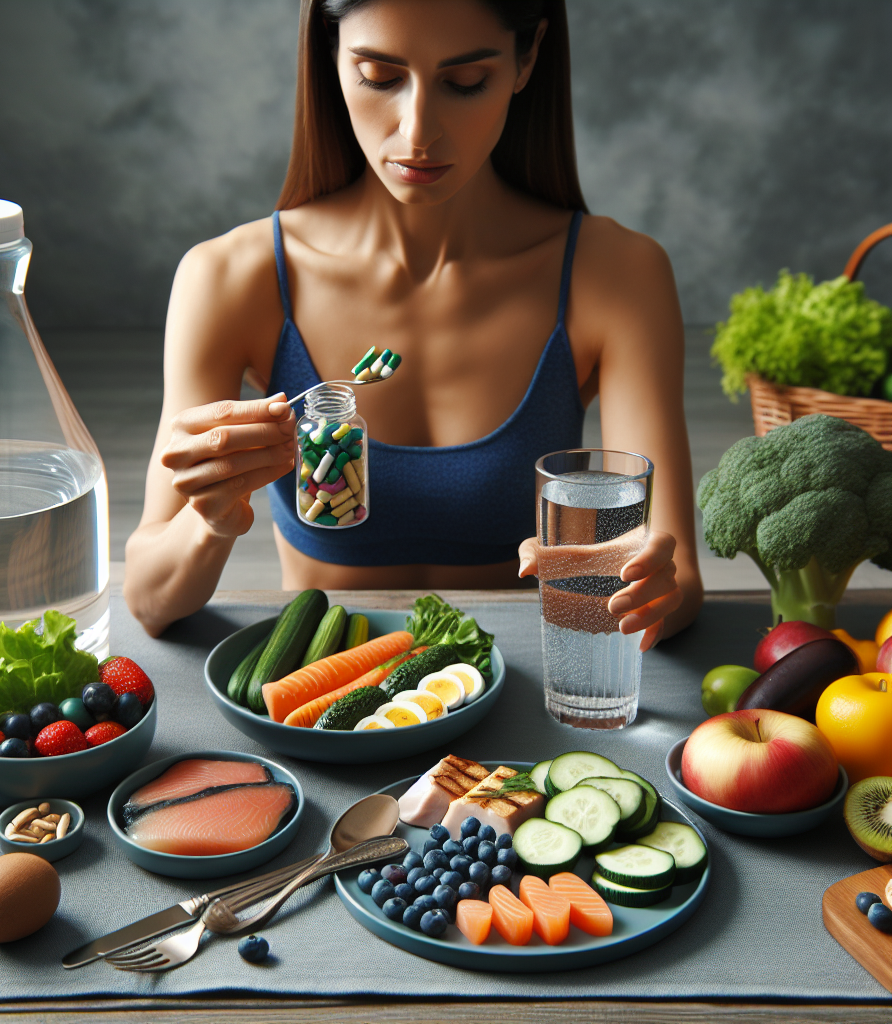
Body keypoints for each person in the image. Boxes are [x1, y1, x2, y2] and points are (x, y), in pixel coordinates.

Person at [124, 0, 703, 645]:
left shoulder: (618, 274)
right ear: (330, 55)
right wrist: (211, 520)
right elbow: (150, 600)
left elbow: (673, 585)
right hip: (323, 698)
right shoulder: (231, 277)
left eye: (464, 83)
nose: (417, 130)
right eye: (378, 76)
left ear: (527, 57)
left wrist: (642, 585)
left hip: (514, 687)